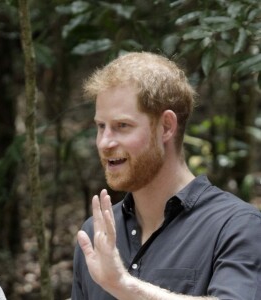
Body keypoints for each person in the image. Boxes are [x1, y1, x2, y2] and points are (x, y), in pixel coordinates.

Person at [71, 52, 261, 300]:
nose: (104, 142)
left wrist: (122, 285)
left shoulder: (237, 225)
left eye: (122, 126)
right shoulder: (97, 233)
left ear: (167, 127)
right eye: (100, 126)